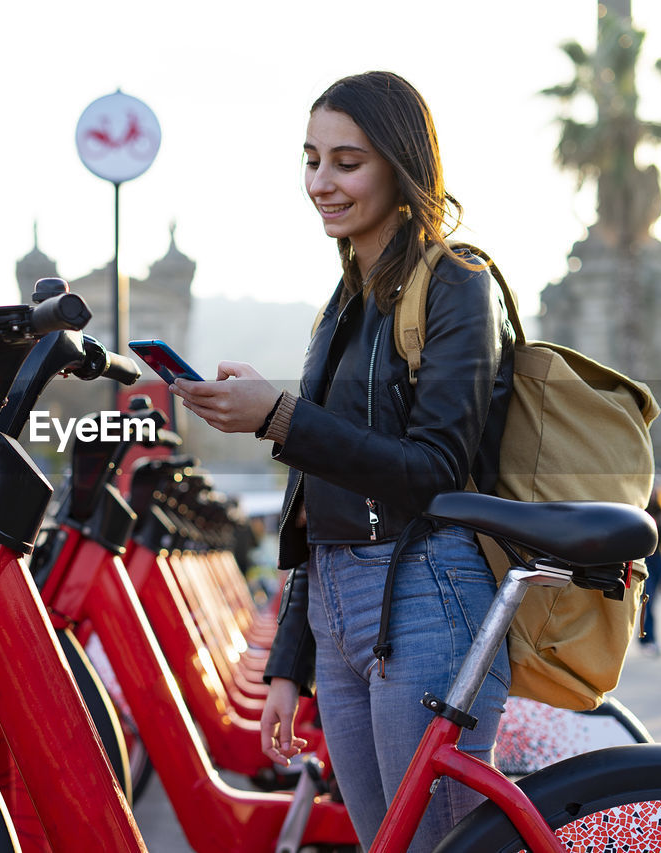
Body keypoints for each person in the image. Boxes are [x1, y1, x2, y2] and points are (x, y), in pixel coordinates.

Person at [170, 71, 515, 849]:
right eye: (311, 159)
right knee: (383, 842)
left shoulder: (457, 283)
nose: (321, 183)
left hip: (427, 590)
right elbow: (316, 493)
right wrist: (289, 659)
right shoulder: (343, 303)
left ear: (401, 167)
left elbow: (434, 467)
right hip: (336, 602)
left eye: (347, 162)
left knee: (437, 844)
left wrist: (280, 416)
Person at [637, 478, 661, 657]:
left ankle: (647, 637)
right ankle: (647, 638)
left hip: (658, 557)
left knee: (652, 600)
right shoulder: (638, 507)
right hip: (643, 558)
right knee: (647, 599)